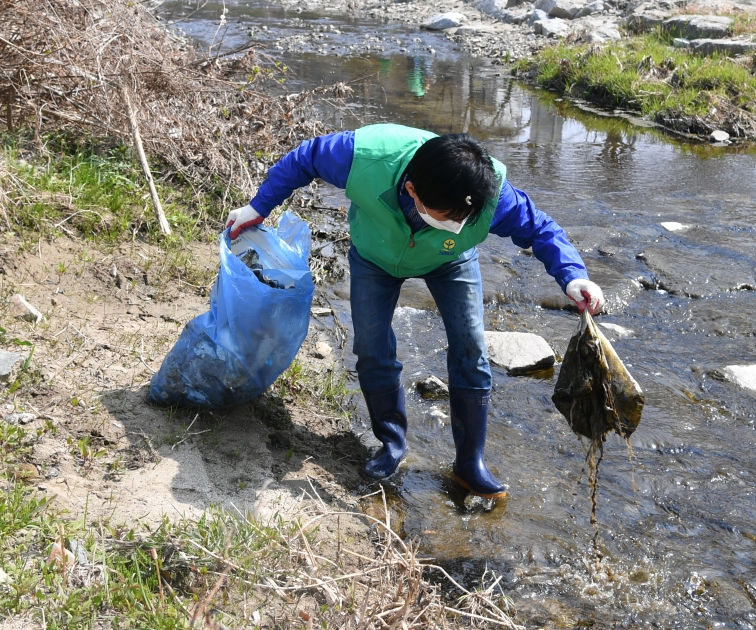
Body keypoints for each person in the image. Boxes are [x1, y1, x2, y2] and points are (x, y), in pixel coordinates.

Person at [227, 124, 604, 499]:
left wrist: (573, 277)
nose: (458, 225)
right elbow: (304, 158)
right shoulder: (363, 156)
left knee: (471, 350)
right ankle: (392, 444)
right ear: (412, 190)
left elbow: (540, 229)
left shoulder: (490, 196)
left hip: (450, 260)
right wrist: (258, 206)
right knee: (372, 346)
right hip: (375, 255)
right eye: (449, 217)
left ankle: (470, 463)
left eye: (465, 219)